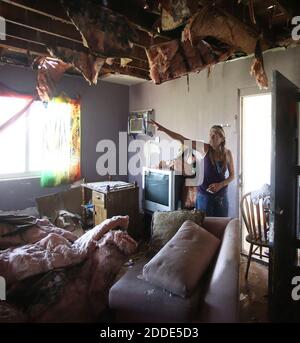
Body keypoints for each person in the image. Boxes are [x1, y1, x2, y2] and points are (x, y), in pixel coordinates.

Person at [149, 119, 235, 217]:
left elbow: (232, 176)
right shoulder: (205, 148)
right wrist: (164, 129)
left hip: (221, 198)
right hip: (204, 197)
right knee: (204, 227)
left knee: (221, 226)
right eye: (210, 134)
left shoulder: (227, 153)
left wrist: (220, 185)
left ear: (222, 139)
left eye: (215, 134)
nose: (211, 136)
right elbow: (182, 139)